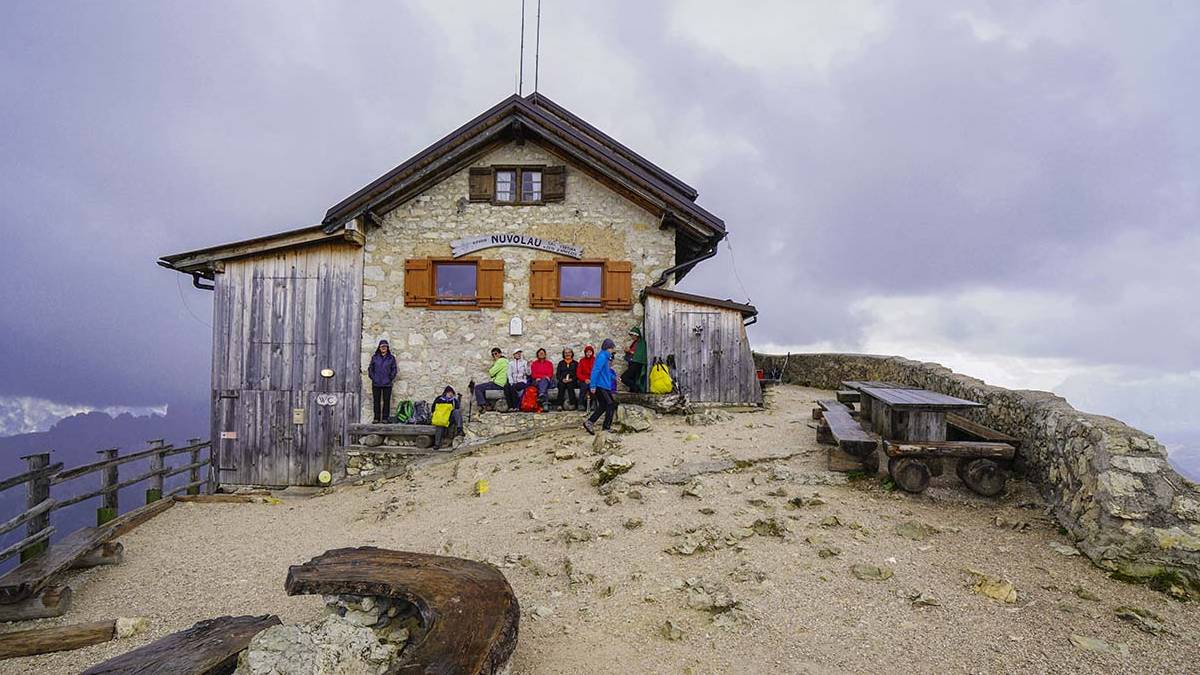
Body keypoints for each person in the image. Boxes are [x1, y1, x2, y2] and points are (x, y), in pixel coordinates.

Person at [584, 338, 618, 434]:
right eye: (612, 348)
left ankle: (589, 422)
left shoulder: (605, 357)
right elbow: (596, 371)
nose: (612, 351)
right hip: (600, 385)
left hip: (604, 385)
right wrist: (593, 385)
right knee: (610, 404)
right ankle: (606, 427)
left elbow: (605, 372)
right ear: (608, 348)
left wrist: (613, 377)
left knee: (604, 405)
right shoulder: (603, 356)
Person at [368, 339, 397, 423]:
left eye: (385, 346)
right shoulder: (375, 357)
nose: (384, 348)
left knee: (386, 401)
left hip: (387, 383)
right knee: (376, 401)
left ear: (387, 348)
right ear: (379, 348)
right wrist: (373, 377)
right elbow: (370, 369)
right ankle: (376, 418)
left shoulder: (391, 358)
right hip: (376, 383)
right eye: (382, 346)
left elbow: (394, 369)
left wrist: (390, 377)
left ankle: (385, 418)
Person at [432, 386, 463, 450]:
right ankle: (437, 444)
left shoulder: (454, 400)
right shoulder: (439, 399)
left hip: (449, 418)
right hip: (441, 418)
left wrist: (457, 400)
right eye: (449, 392)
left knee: (456, 412)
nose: (450, 394)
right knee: (439, 426)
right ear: (445, 393)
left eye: (451, 393)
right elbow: (433, 409)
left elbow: (457, 408)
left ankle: (459, 429)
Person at [620, 325, 648, 392]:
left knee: (624, 377)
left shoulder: (641, 343)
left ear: (637, 335)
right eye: (631, 335)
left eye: (633, 335)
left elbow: (639, 354)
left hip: (637, 363)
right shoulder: (634, 343)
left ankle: (636, 388)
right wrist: (628, 352)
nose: (632, 337)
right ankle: (633, 390)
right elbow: (633, 353)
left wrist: (629, 351)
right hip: (632, 363)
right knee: (632, 378)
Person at [576, 344, 595, 411]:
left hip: (593, 379)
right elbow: (578, 373)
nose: (588, 353)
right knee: (584, 387)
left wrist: (591, 379)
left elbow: (596, 372)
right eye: (587, 352)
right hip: (583, 379)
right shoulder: (582, 361)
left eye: (590, 352)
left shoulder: (595, 360)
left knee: (592, 387)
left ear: (592, 352)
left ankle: (593, 403)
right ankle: (580, 404)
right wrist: (585, 379)